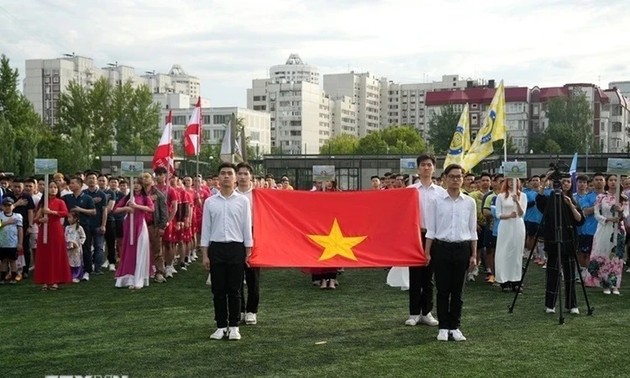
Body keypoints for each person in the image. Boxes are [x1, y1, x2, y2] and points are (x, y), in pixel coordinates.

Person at [424, 164, 477, 341]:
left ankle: (455, 326)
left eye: (459, 176)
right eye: (452, 176)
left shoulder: (469, 202)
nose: (456, 179)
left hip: (462, 248)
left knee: (458, 291)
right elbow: (431, 229)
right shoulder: (436, 201)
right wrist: (427, 252)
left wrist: (474, 254)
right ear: (445, 178)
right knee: (442, 290)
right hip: (441, 248)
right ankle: (443, 327)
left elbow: (472, 231)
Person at [201, 162, 253, 341]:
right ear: (218, 178)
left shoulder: (243, 201)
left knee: (235, 289)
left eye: (229, 173)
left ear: (235, 177)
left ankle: (234, 326)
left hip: (236, 248)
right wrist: (205, 254)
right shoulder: (210, 202)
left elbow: (247, 227)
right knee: (218, 290)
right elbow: (205, 229)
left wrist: (248, 251)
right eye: (222, 173)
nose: (226, 177)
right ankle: (221, 325)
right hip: (216, 248)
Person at [403, 154, 442, 327]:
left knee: (429, 276)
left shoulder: (441, 192)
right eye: (423, 165)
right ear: (418, 168)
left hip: (433, 236)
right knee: (415, 276)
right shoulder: (410, 190)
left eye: (429, 165)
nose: (426, 168)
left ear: (434, 168)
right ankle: (413, 313)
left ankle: (427, 312)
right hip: (414, 236)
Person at [536, 178, 584, 313]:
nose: (564, 184)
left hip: (568, 242)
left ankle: (572, 304)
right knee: (552, 274)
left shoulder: (571, 200)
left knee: (570, 275)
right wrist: (544, 181)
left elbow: (579, 220)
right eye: (561, 182)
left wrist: (570, 205)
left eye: (568, 182)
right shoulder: (549, 199)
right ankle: (550, 305)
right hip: (553, 241)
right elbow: (539, 200)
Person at [584, 174, 627, 294]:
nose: (613, 182)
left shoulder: (623, 198)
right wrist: (607, 219)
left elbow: (627, 214)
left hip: (619, 229)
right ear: (607, 182)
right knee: (603, 254)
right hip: (604, 228)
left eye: (615, 180)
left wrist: (621, 212)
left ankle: (614, 284)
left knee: (617, 257)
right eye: (611, 180)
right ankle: (604, 284)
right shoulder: (601, 197)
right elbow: (597, 214)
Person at [113, 177, 154, 290]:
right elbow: (116, 209)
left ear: (142, 185)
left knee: (140, 250)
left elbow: (151, 208)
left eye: (138, 183)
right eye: (134, 183)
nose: (136, 185)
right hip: (128, 226)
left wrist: (136, 207)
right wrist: (126, 208)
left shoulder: (145, 197)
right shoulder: (128, 197)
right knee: (129, 250)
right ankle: (128, 277)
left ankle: (139, 277)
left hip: (140, 225)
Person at [33, 182, 72, 290]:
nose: (53, 189)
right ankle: (44, 281)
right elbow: (35, 219)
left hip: (56, 230)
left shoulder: (60, 201)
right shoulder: (42, 204)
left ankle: (56, 280)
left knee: (56, 254)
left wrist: (52, 212)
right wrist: (41, 219)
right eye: (50, 187)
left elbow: (65, 213)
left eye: (55, 187)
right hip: (44, 231)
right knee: (44, 255)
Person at [236, 162, 260, 325]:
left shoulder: (259, 195)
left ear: (251, 176)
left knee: (253, 277)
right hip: (235, 237)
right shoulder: (232, 194)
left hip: (254, 236)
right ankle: (240, 309)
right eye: (240, 173)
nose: (243, 177)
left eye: (246, 173)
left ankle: (252, 310)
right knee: (237, 277)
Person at [494, 178, 527, 292]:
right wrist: (508, 215)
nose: (512, 183)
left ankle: (516, 280)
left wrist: (517, 202)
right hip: (505, 226)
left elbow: (522, 213)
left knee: (517, 252)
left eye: (514, 181)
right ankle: (504, 281)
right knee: (504, 252)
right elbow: (498, 214)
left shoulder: (523, 196)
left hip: (518, 226)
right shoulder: (500, 196)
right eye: (510, 181)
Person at [62, 177, 96, 281]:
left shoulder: (87, 198)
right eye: (70, 183)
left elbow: (93, 212)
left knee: (85, 249)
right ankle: (72, 271)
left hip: (83, 227)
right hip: (69, 228)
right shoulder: (67, 197)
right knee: (70, 249)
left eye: (73, 183)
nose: (70, 185)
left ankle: (87, 271)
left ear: (80, 185)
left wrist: (80, 209)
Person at [0, 197, 23, 284]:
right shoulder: (1, 215)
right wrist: (7, 222)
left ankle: (13, 277)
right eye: (5, 205)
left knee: (13, 261)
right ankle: (2, 278)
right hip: (2, 243)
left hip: (13, 243)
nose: (7, 207)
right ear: (2, 206)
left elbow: (20, 230)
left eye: (9, 205)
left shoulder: (17, 216)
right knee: (3, 261)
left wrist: (20, 243)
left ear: (13, 206)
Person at [65, 212, 86, 283]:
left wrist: (79, 243)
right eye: (68, 217)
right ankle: (69, 275)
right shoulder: (67, 228)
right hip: (68, 247)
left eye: (70, 217)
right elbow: (65, 236)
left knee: (76, 261)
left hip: (76, 248)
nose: (68, 219)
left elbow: (83, 236)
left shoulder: (79, 228)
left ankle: (76, 276)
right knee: (69, 261)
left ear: (75, 218)